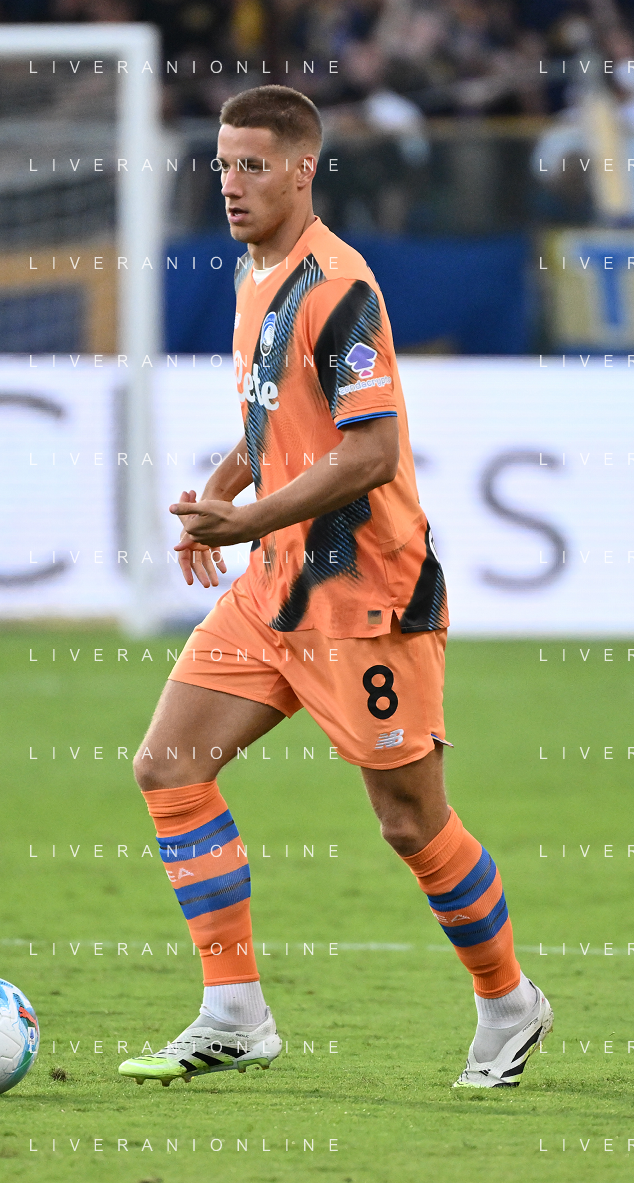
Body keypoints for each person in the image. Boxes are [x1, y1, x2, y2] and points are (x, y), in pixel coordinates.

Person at [118, 84, 552, 1090]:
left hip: (365, 598)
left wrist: (247, 520)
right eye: (222, 164)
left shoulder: (340, 286)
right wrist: (226, 483)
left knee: (409, 822)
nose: (231, 184)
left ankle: (507, 1000)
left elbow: (370, 453)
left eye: (252, 165)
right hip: (274, 587)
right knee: (169, 767)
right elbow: (276, 411)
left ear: (303, 169)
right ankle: (234, 1013)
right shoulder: (253, 272)